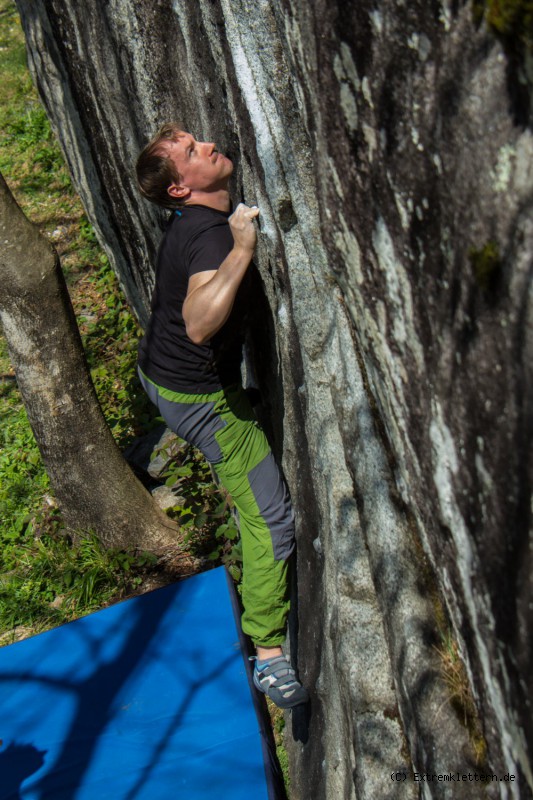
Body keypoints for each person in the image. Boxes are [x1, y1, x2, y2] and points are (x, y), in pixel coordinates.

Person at [135, 123, 308, 708]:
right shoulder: (212, 236)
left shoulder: (189, 222)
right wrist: (242, 248)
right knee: (271, 517)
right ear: (181, 189)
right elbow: (201, 322)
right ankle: (268, 653)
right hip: (201, 401)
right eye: (191, 153)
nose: (206, 145)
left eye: (195, 140)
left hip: (160, 377)